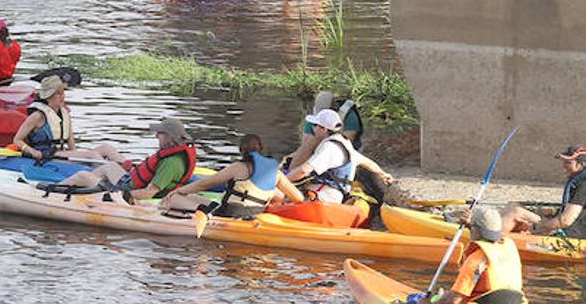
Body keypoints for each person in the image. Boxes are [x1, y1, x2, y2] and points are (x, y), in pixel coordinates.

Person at [410, 205, 527, 304]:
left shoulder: (476, 259)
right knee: (444, 297)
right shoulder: (509, 245)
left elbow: (453, 300)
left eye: (472, 228)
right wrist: (471, 225)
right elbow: (485, 233)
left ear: (475, 229)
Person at [57, 117, 197, 202]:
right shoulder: (172, 155)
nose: (156, 136)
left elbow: (149, 193)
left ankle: (50, 193)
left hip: (128, 191)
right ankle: (81, 191)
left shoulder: (171, 163)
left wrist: (119, 195)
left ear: (169, 136)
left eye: (159, 133)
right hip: (129, 182)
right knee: (109, 166)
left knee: (83, 175)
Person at [162, 134, 305, 217]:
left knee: (176, 197)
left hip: (231, 213)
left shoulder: (237, 167)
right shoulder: (276, 173)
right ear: (261, 149)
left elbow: (204, 184)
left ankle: (174, 208)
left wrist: (179, 190)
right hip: (258, 214)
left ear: (241, 151)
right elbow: (298, 198)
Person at [285, 108, 393, 203]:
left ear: (324, 129)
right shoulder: (345, 144)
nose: (313, 129)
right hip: (333, 197)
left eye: (315, 125)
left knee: (278, 179)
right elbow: (368, 163)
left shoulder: (329, 148)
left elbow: (303, 171)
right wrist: (383, 174)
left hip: (320, 198)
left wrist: (284, 180)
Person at [11, 76, 121, 163]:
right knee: (91, 155)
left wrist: (76, 157)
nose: (62, 97)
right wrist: (32, 151)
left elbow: (71, 142)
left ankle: (127, 172)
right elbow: (17, 140)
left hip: (64, 154)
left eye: (63, 93)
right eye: (58, 94)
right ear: (48, 96)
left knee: (107, 148)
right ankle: (109, 173)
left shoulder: (65, 114)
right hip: (49, 155)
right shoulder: (37, 116)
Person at [503, 146, 586, 238]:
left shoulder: (583, 185)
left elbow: (566, 221)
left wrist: (536, 226)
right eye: (563, 162)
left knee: (516, 212)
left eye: (568, 163)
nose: (563, 166)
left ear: (582, 164)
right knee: (514, 205)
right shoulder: (580, 181)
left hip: (574, 235)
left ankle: (495, 241)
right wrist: (541, 211)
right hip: (575, 227)